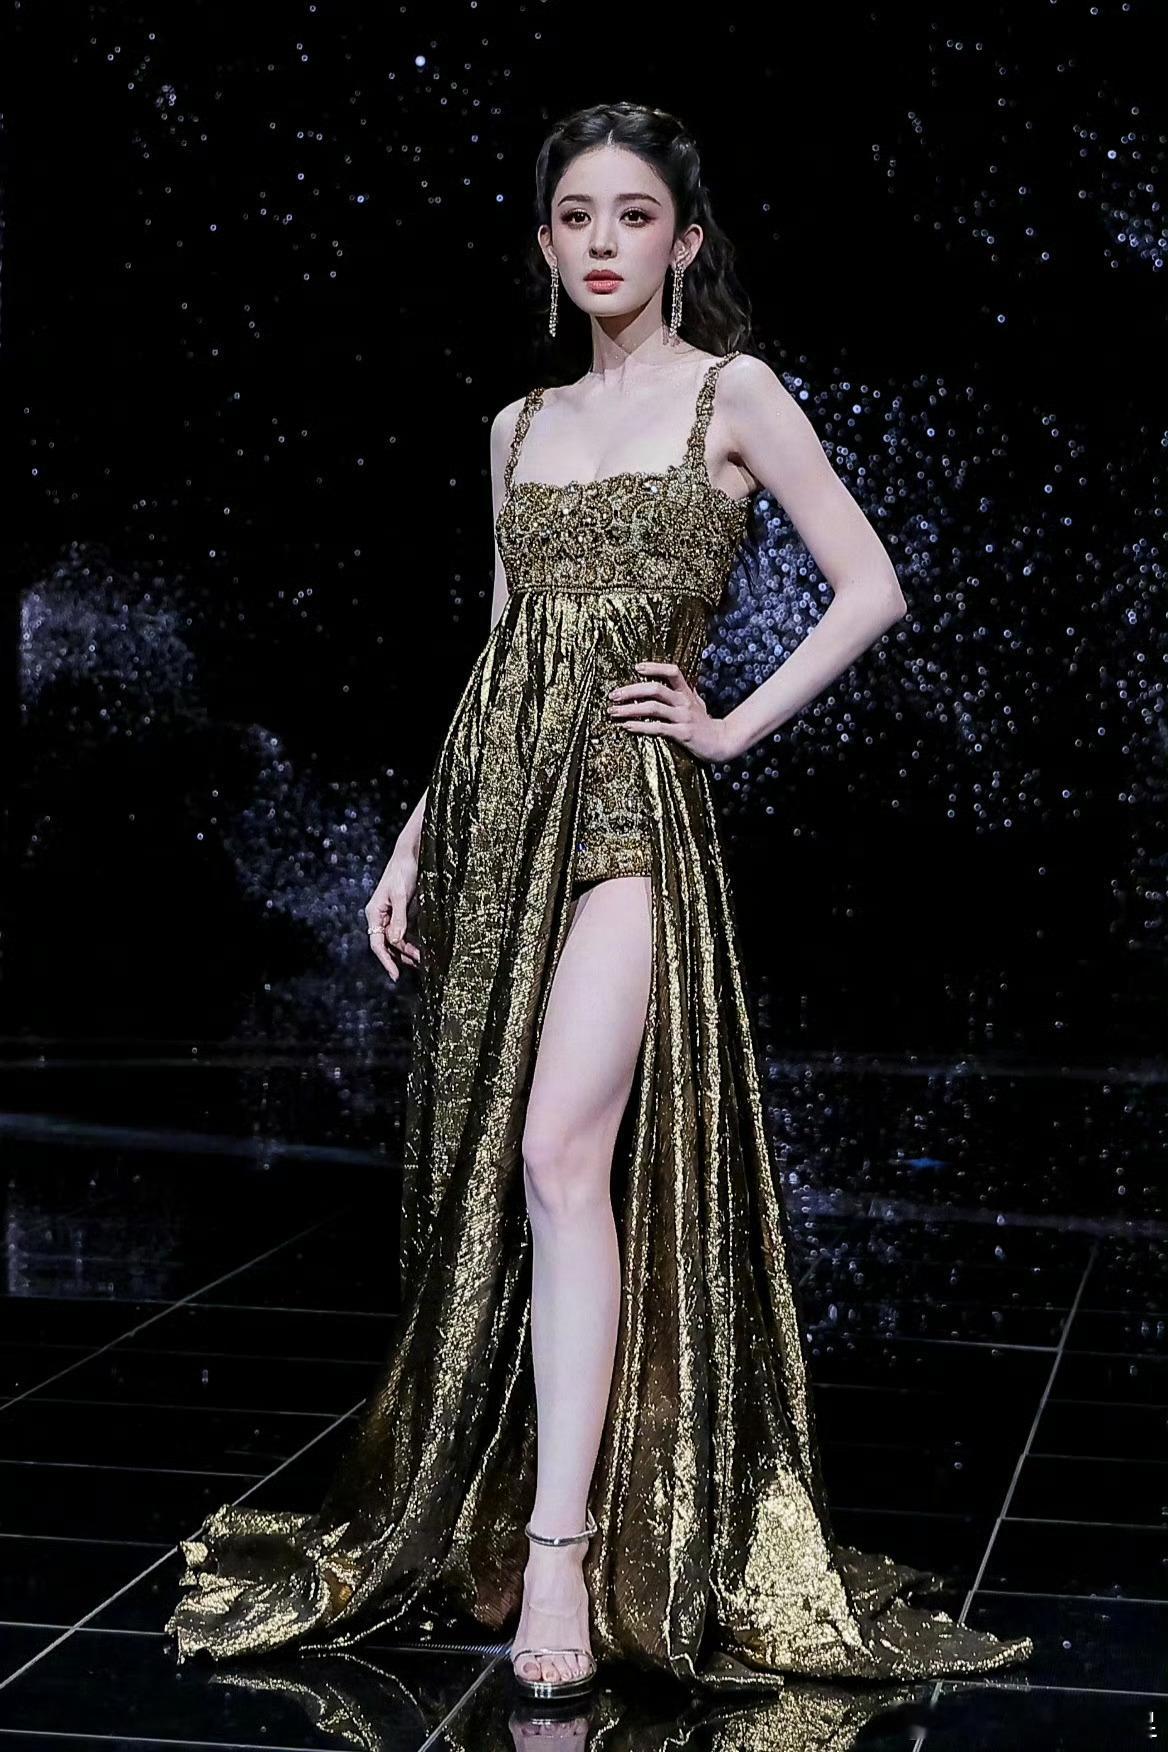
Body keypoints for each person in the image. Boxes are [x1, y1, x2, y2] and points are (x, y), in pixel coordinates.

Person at [165, 100, 1032, 1704]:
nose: (605, 242)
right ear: (547, 246)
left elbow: (873, 585)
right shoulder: (515, 426)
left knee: (562, 1149)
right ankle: (521, 1508)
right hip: (497, 807)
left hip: (633, 807)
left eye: (635, 215)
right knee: (506, 1164)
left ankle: (562, 1547)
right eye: (577, 217)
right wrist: (416, 836)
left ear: (684, 241)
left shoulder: (732, 392)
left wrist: (728, 725)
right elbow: (500, 651)